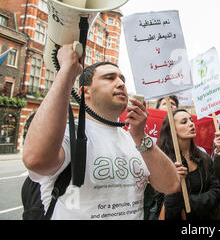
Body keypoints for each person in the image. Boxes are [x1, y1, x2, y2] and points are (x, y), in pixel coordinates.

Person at [22, 45, 180, 219]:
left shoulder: (136, 140)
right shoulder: (69, 135)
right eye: (109, 78)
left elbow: (171, 185)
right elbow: (35, 160)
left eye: (122, 79)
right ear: (84, 92)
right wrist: (67, 71)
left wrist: (141, 136)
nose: (120, 83)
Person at [155, 109, 220, 220]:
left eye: (191, 120)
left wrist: (188, 203)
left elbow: (216, 191)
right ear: (172, 129)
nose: (191, 124)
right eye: (184, 122)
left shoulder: (204, 158)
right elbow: (164, 205)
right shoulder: (164, 161)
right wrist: (174, 183)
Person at [143, 94, 179, 220]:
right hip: (146, 187)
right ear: (157, 108)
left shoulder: (180, 131)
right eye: (165, 103)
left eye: (173, 104)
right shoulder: (145, 126)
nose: (169, 105)